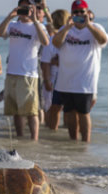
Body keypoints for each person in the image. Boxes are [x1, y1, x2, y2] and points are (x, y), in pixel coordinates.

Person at [52, 0, 107, 142]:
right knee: (69, 113)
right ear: (71, 14)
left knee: (84, 113)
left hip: (85, 82)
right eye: (75, 12)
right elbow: (56, 43)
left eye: (82, 12)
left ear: (87, 12)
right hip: (66, 81)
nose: (79, 14)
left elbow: (102, 40)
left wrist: (88, 24)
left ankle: (85, 143)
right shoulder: (66, 28)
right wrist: (66, 28)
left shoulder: (95, 27)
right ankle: (73, 142)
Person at [0, 0, 49, 140]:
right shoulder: (13, 25)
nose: (25, 10)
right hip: (11, 73)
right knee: (16, 111)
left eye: (27, 7)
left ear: (32, 8)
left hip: (28, 74)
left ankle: (34, 140)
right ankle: (19, 138)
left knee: (32, 111)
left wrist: (35, 21)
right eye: (22, 7)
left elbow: (45, 42)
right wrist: (9, 16)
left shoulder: (38, 26)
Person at [40, 9, 70, 129]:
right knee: (52, 107)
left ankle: (58, 132)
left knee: (62, 108)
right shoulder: (52, 41)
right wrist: (47, 81)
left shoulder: (70, 38)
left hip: (65, 78)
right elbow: (45, 63)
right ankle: (51, 132)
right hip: (53, 78)